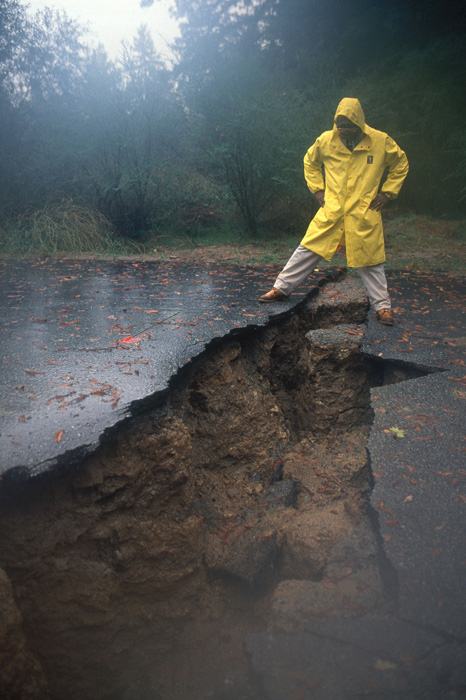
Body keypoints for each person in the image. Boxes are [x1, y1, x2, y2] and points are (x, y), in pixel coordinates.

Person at [259, 97, 409, 325]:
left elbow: (401, 163)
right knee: (308, 248)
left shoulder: (380, 141)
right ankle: (280, 288)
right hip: (332, 211)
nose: (345, 133)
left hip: (363, 212)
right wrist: (318, 190)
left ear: (359, 123)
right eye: (341, 129)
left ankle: (383, 307)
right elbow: (309, 161)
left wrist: (387, 193)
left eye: (349, 129)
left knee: (370, 260)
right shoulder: (326, 140)